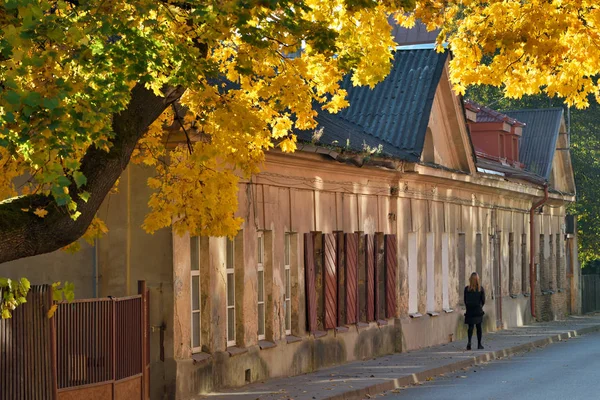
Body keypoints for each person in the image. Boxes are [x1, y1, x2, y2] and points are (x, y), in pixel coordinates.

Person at [464, 272, 485, 350]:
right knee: (479, 327)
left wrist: (468, 307)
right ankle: (479, 344)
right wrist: (480, 307)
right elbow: (483, 300)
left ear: (470, 280)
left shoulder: (467, 289)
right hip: (478, 310)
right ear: (477, 280)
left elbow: (465, 300)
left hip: (469, 310)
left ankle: (469, 342)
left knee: (470, 327)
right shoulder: (480, 289)